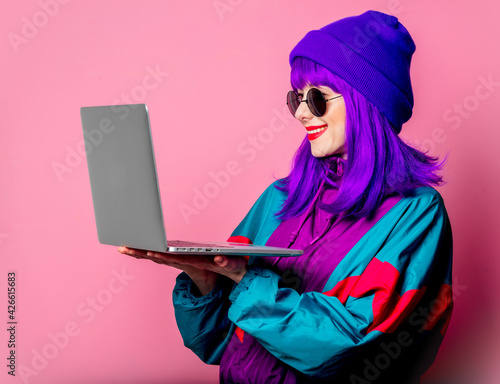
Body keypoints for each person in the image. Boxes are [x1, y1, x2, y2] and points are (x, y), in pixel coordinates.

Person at [118, 10, 453, 384]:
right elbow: (216, 344)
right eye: (297, 99)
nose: (302, 114)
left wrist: (244, 278)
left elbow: (348, 347)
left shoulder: (414, 213)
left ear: (366, 104)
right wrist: (204, 278)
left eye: (317, 98)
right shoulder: (280, 197)